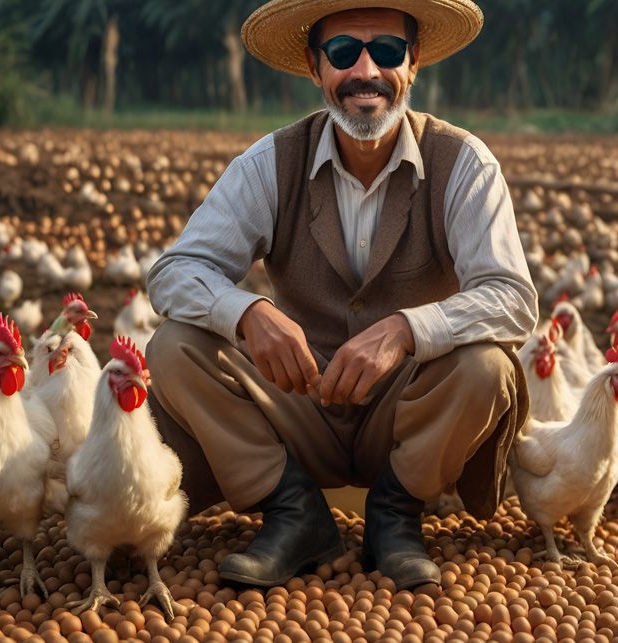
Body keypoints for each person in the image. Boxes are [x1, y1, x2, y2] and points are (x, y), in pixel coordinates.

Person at [145, 0, 538, 590]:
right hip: (298, 404)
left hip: (408, 415)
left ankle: (396, 513)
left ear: (414, 64)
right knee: (174, 347)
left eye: (386, 51)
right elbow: (175, 271)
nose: (365, 72)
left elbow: (512, 297)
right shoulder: (270, 163)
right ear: (315, 67)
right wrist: (248, 312)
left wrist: (407, 329)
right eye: (342, 52)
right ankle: (292, 510)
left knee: (486, 367)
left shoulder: (463, 163)